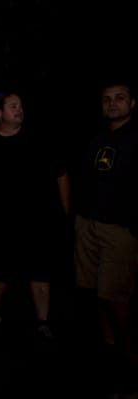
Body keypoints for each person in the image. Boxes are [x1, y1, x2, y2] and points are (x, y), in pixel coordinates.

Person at [0, 89, 71, 340]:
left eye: (20, 106)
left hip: (38, 222)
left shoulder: (39, 141)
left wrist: (64, 212)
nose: (19, 110)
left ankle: (43, 320)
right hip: (0, 223)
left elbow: (61, 175)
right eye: (13, 106)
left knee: (40, 272)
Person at [73, 80, 138, 363]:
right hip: (88, 224)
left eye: (119, 98)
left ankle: (130, 351)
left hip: (119, 229)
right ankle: (109, 347)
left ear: (132, 103)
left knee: (115, 294)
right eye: (106, 99)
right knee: (96, 291)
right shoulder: (97, 141)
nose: (112, 103)